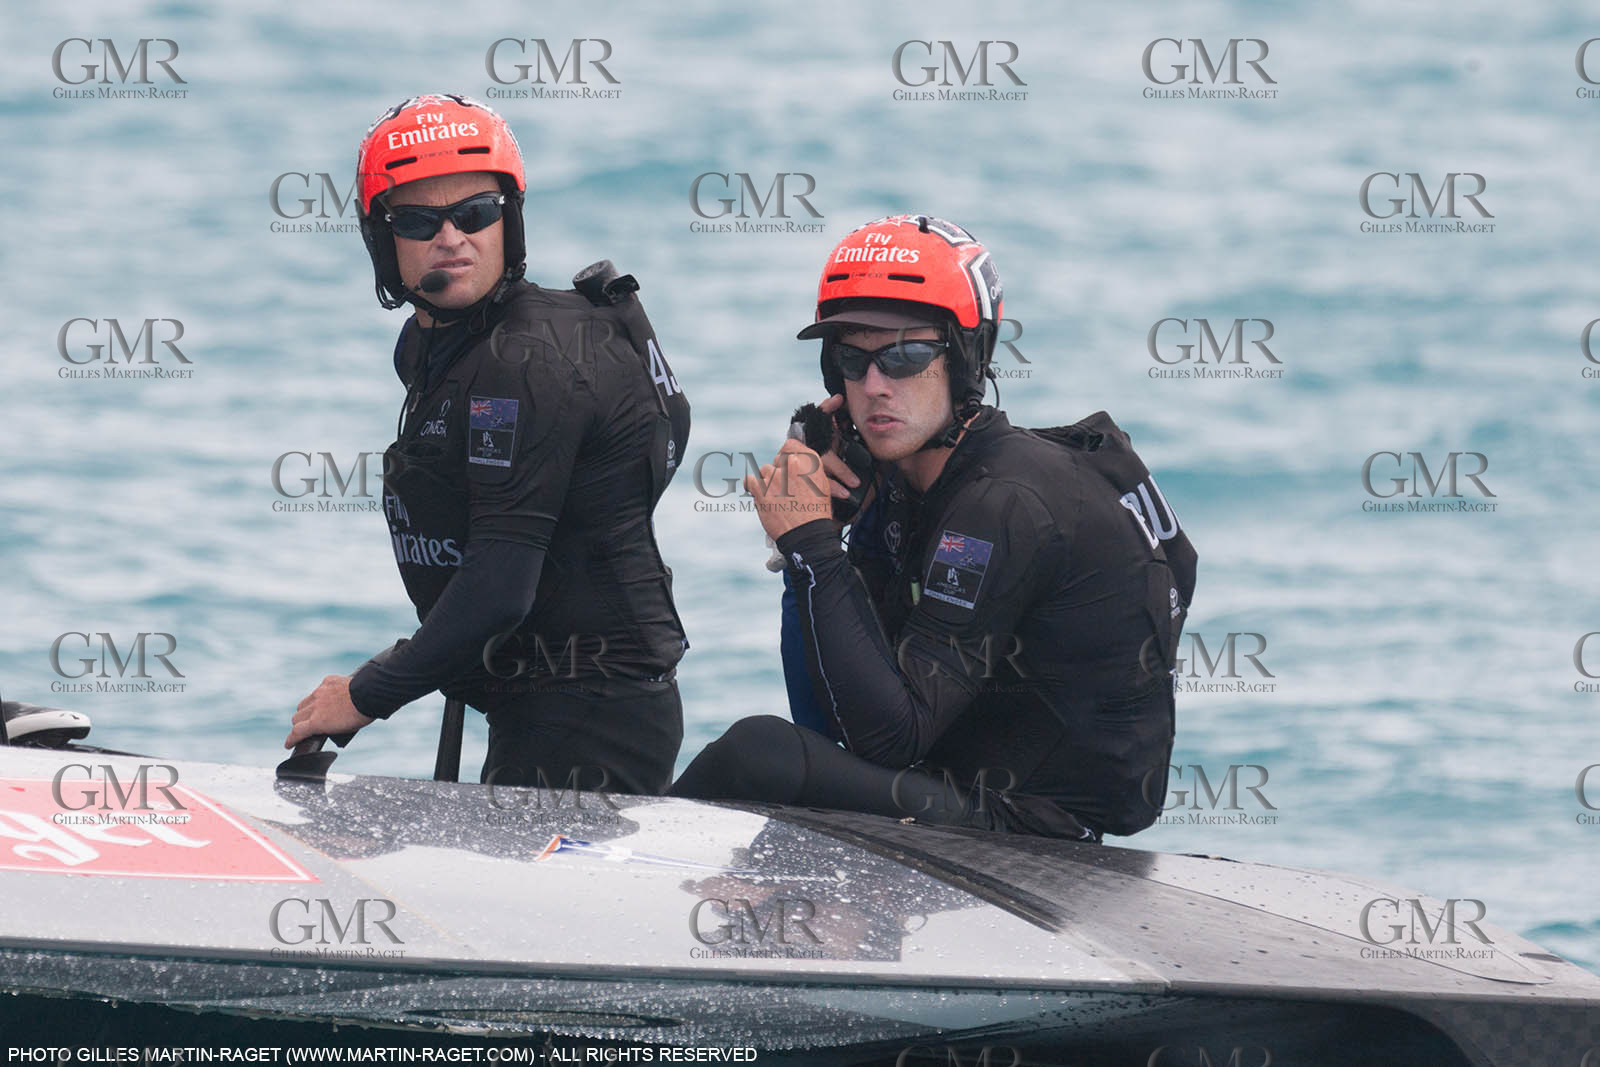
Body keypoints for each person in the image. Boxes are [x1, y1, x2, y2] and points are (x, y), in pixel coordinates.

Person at [670, 214, 1197, 840]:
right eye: (852, 358)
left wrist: (810, 547)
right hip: (952, 780)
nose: (873, 387)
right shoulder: (906, 482)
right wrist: (826, 544)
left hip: (1041, 833)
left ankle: (604, 881)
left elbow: (889, 738)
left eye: (906, 355)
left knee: (757, 753)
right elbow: (831, 722)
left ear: (966, 358)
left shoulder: (999, 503)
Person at [286, 94, 691, 794]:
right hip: (521, 696)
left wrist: (366, 692)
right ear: (383, 242)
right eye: (417, 220)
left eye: (475, 213)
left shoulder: (526, 361)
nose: (452, 238)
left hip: (593, 715)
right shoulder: (431, 344)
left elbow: (500, 586)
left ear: (511, 219)